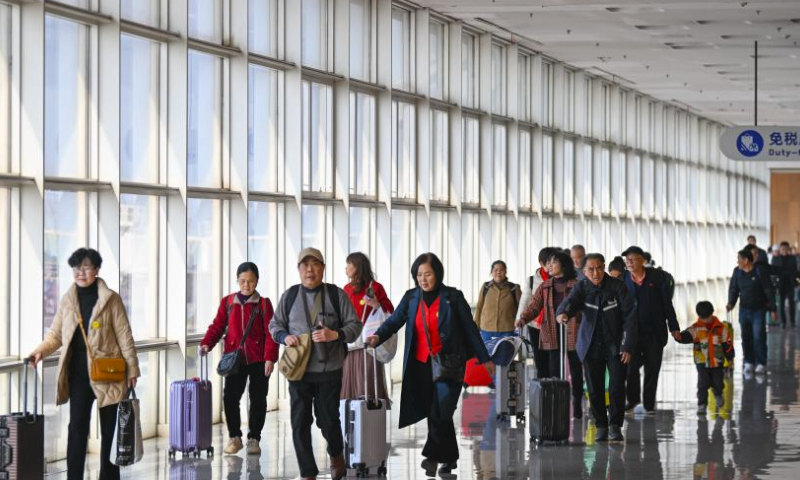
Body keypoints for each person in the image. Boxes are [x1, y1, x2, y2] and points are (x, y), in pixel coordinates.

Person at [365, 253, 494, 477]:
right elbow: (395, 321)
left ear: (438, 274)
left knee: (440, 409)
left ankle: (432, 456)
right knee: (436, 412)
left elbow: (470, 329)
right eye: (419, 275)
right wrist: (378, 335)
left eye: (428, 274)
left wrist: (485, 358)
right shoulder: (411, 298)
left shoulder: (452, 297)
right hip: (420, 364)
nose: (423, 279)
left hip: (449, 363)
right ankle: (449, 459)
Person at [29, 248, 139, 480]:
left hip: (109, 372)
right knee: (77, 429)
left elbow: (124, 336)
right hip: (78, 375)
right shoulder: (68, 300)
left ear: (96, 269)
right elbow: (55, 335)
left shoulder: (111, 299)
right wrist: (40, 351)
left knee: (110, 431)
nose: (80, 272)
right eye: (76, 268)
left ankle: (109, 477)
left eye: (86, 267)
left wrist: (132, 369)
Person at [269, 248, 362, 480]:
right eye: (305, 265)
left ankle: (336, 454)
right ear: (299, 269)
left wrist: (335, 334)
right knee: (300, 422)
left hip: (329, 370)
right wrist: (284, 337)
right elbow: (275, 325)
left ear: (323, 268)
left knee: (328, 419)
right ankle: (308, 473)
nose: (310, 269)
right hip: (298, 371)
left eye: (315, 264)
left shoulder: (336, 295)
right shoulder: (290, 296)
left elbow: (355, 326)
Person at [555, 253, 636, 442]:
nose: (596, 272)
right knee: (594, 388)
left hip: (616, 345)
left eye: (599, 268)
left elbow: (630, 317)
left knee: (616, 386)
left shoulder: (617, 286)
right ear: (584, 271)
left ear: (604, 267)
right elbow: (570, 302)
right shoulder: (582, 287)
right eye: (590, 269)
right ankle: (601, 426)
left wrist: (627, 346)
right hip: (590, 345)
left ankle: (615, 426)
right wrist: (563, 313)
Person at [200, 262, 278, 455]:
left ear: (257, 281)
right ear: (237, 280)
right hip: (235, 360)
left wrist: (270, 358)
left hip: (259, 360)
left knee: (258, 399)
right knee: (230, 398)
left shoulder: (263, 304)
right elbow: (217, 326)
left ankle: (254, 439)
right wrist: (207, 343)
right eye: (242, 281)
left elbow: (271, 333)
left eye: (250, 281)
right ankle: (235, 437)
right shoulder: (228, 302)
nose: (246, 285)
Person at [516, 250, 584, 418]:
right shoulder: (545, 286)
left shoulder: (577, 285)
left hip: (573, 332)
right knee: (554, 369)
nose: (549, 266)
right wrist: (523, 318)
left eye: (553, 262)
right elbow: (534, 306)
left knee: (575, 369)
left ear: (564, 265)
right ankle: (556, 401)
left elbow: (584, 307)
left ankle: (576, 401)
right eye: (548, 263)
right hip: (552, 332)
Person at [621, 246, 680, 415]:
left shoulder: (657, 277)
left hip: (654, 332)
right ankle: (633, 400)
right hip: (632, 333)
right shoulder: (623, 279)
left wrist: (674, 328)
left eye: (633, 259)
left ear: (642, 260)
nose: (629, 263)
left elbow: (667, 304)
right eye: (627, 260)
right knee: (631, 368)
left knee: (652, 369)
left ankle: (648, 404)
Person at [341, 252, 394, 400]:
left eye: (349, 264)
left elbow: (390, 312)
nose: (346, 268)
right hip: (350, 344)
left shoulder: (375, 287)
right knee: (349, 380)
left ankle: (369, 409)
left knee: (368, 380)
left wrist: (377, 304)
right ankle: (351, 411)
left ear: (357, 267)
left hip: (369, 344)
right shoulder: (347, 288)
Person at [675, 301, 734, 415]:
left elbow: (727, 345)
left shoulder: (721, 328)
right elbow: (686, 335)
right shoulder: (696, 329)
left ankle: (718, 393)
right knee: (702, 384)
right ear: (699, 316)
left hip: (717, 361)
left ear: (712, 313)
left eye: (708, 317)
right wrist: (679, 337)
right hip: (701, 361)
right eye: (703, 318)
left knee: (718, 381)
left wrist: (730, 358)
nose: (706, 320)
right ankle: (702, 405)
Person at [726, 248, 776, 375]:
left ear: (746, 260)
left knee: (758, 337)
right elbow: (734, 289)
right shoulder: (737, 272)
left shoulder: (759, 271)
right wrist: (731, 303)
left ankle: (761, 363)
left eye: (739, 259)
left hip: (758, 310)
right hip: (744, 310)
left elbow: (768, 290)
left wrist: (772, 309)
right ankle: (749, 362)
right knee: (746, 336)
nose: (737, 262)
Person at [516, 247, 559, 378]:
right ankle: (542, 385)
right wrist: (519, 318)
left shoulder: (559, 279)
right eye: (549, 262)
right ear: (541, 263)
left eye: (554, 261)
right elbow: (525, 301)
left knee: (554, 360)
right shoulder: (532, 280)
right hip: (535, 325)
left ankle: (555, 384)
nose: (552, 265)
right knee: (540, 358)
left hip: (554, 325)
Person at [474, 260, 521, 344]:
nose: (498, 272)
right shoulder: (486, 287)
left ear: (505, 272)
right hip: (487, 330)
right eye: (495, 270)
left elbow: (521, 307)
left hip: (507, 329)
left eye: (501, 270)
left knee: (506, 351)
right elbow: (479, 307)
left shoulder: (514, 288)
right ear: (491, 272)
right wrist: (476, 324)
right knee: (487, 351)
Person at [771, 241, 799, 328]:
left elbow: (796, 271)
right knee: (781, 304)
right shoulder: (775, 259)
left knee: (792, 304)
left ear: (788, 249)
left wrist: (797, 282)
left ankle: (792, 321)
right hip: (781, 284)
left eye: (786, 249)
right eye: (783, 249)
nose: (784, 250)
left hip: (790, 284)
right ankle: (783, 322)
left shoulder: (792, 258)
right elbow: (773, 272)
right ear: (780, 249)